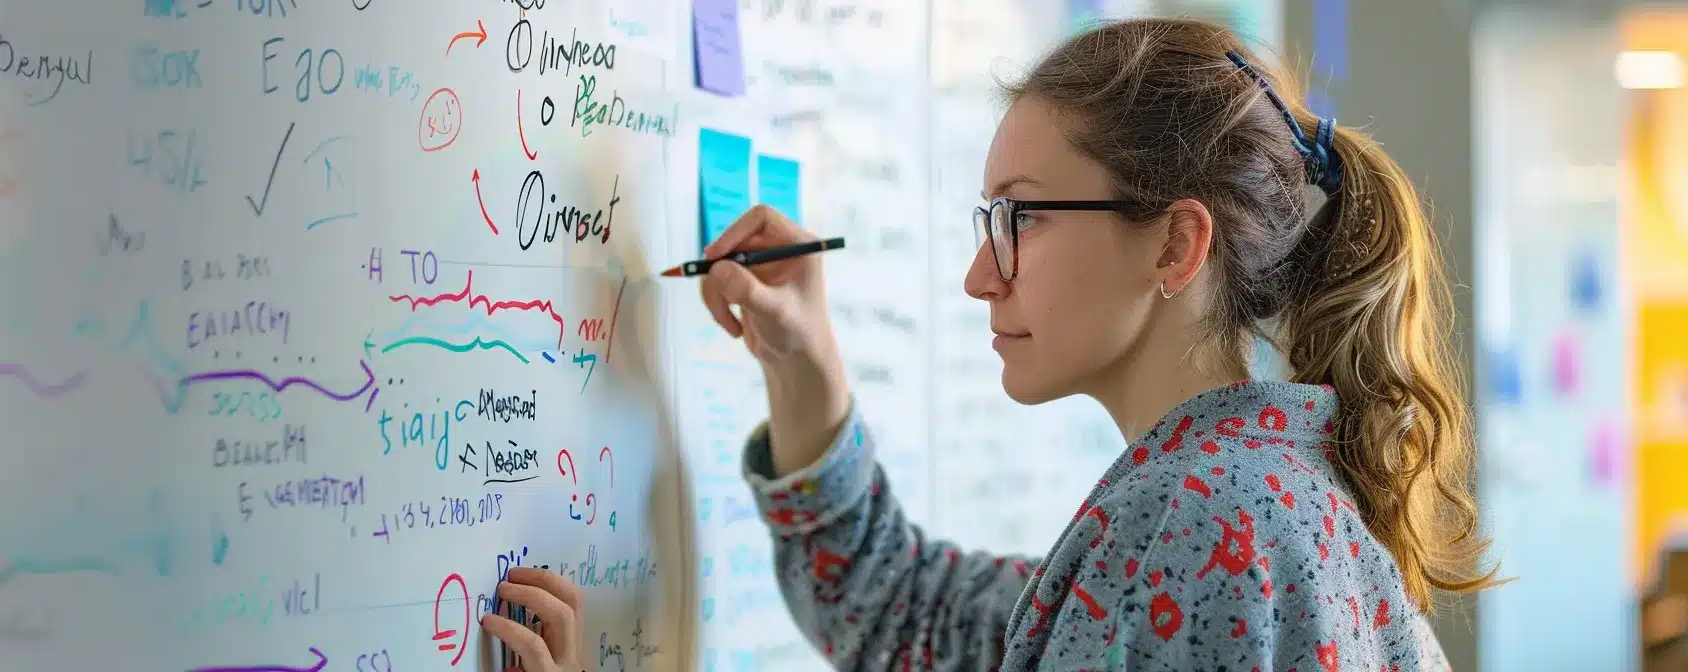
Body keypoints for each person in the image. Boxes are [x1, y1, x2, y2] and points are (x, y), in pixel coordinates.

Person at [480, 16, 1501, 671]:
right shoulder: (1258, 494)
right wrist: (804, 362)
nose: (981, 273)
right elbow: (908, 615)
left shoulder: (1200, 523)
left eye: (1022, 218)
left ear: (1177, 244)